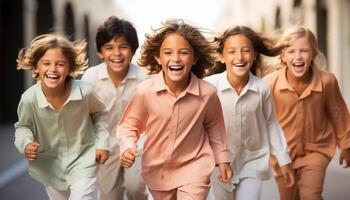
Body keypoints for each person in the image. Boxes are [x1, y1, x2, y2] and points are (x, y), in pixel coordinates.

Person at [117, 19, 233, 200]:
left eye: (184, 52)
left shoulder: (208, 94)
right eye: (168, 52)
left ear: (194, 58)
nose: (176, 58)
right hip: (158, 170)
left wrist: (222, 158)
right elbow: (128, 125)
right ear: (158, 57)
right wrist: (127, 147)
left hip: (195, 166)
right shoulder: (145, 91)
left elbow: (214, 127)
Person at [14, 34, 110, 200]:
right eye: (46, 63)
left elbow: (100, 115)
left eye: (60, 64)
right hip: (50, 165)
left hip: (84, 158)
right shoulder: (29, 99)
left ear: (70, 68)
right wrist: (26, 143)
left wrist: (102, 143)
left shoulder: (86, 92)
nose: (53, 69)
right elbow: (23, 127)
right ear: (36, 67)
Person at [205, 26, 294, 200]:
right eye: (231, 51)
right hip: (217, 164)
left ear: (254, 55)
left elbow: (271, 123)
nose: (239, 57)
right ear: (222, 57)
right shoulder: (209, 87)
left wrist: (283, 159)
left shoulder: (262, 88)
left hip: (252, 162)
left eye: (246, 51)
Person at [264, 26, 350, 200]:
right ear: (283, 55)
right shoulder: (269, 83)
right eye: (291, 51)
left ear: (313, 55)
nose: (298, 57)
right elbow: (262, 121)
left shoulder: (327, 81)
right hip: (282, 154)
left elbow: (338, 113)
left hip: (316, 150)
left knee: (311, 195)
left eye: (304, 51)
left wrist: (346, 145)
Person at [81, 16, 148, 200]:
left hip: (137, 146)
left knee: (135, 188)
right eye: (109, 48)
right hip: (106, 146)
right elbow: (83, 115)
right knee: (110, 196)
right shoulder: (91, 77)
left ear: (133, 50)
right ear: (101, 53)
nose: (117, 53)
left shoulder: (144, 77)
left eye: (123, 47)